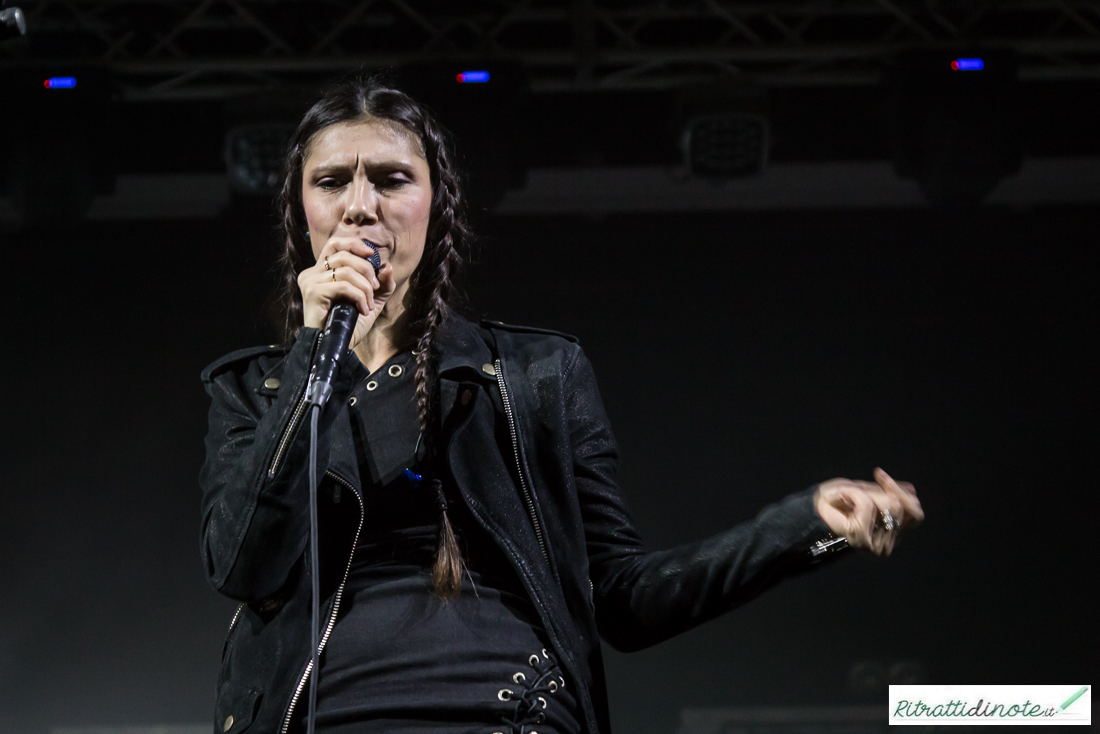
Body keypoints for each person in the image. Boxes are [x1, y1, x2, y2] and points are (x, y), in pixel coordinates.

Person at [199, 74, 924, 734]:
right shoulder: (250, 390)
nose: (361, 205)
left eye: (391, 179)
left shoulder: (536, 373)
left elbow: (625, 598)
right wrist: (311, 358)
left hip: (505, 715)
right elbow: (242, 565)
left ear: (435, 204)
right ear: (302, 210)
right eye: (331, 182)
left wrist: (799, 529)